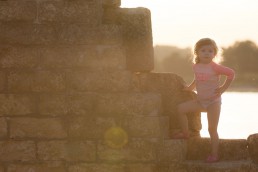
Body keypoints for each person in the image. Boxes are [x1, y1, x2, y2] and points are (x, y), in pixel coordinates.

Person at [172, 38, 235, 163]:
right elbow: (197, 79)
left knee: (212, 129)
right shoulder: (196, 66)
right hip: (200, 102)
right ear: (197, 53)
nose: (207, 53)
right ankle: (185, 133)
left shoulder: (215, 67)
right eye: (203, 50)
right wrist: (190, 88)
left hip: (213, 103)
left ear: (214, 54)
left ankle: (214, 154)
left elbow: (231, 73)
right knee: (180, 109)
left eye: (210, 51)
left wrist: (222, 89)